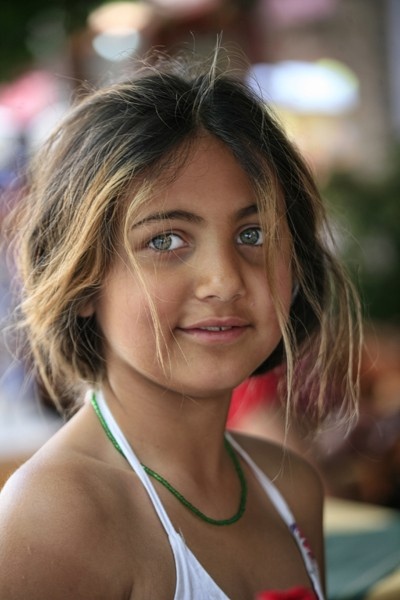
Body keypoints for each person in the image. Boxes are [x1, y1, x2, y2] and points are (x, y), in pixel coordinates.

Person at [0, 48, 361, 600]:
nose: (224, 280)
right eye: (165, 240)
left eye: (253, 235)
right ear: (82, 283)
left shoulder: (290, 488)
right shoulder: (55, 516)